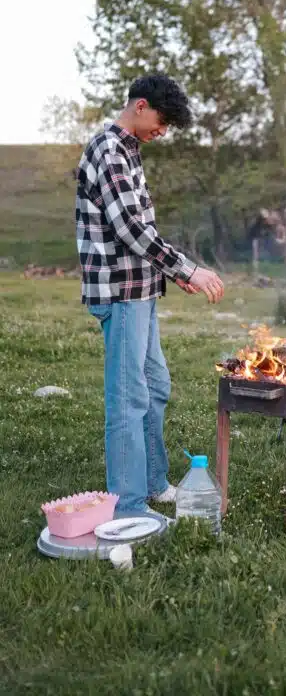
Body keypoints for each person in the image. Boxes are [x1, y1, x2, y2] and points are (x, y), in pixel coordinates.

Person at [76, 74, 225, 517]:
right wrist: (188, 268)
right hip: (121, 291)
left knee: (155, 386)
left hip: (141, 288)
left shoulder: (130, 150)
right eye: (162, 121)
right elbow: (129, 229)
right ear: (140, 106)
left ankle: (154, 481)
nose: (163, 131)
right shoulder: (109, 150)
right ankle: (128, 506)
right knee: (128, 399)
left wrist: (170, 274)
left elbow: (141, 227)